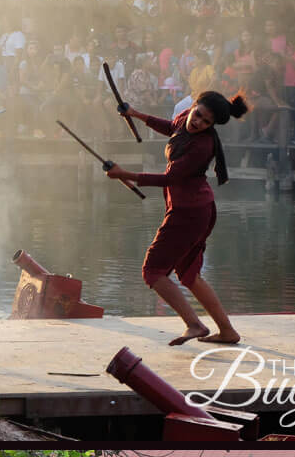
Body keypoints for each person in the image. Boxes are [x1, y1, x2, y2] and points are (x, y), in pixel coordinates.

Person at [105, 91, 249, 346]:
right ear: (193, 107)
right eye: (198, 116)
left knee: (152, 271)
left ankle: (194, 324)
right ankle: (228, 332)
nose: (198, 124)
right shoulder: (184, 119)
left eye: (206, 123)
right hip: (198, 209)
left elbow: (168, 178)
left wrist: (123, 173)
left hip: (189, 212)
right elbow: (173, 128)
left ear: (211, 126)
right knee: (189, 275)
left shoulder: (202, 146)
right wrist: (136, 114)